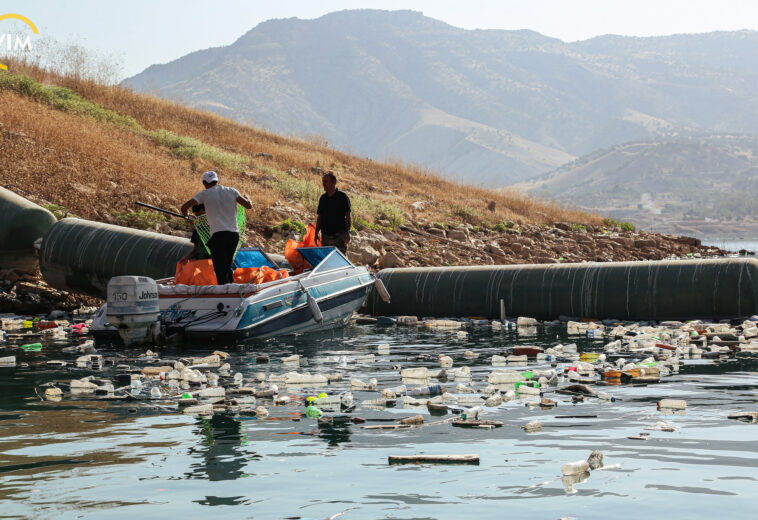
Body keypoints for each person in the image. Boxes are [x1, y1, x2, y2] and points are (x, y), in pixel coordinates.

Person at [181, 171, 252, 285]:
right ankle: (231, 289)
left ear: (204, 183)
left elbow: (184, 207)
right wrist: (248, 198)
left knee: (220, 269)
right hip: (234, 235)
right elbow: (248, 206)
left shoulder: (204, 194)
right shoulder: (232, 191)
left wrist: (188, 217)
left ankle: (225, 292)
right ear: (218, 181)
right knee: (227, 266)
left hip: (218, 236)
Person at [315, 171, 351, 254]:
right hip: (325, 237)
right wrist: (316, 233)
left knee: (340, 261)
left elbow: (348, 216)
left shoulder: (342, 197)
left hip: (339, 236)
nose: (323, 184)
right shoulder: (323, 198)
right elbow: (320, 217)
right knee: (326, 261)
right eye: (323, 181)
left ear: (334, 182)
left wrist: (347, 232)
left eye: (326, 181)